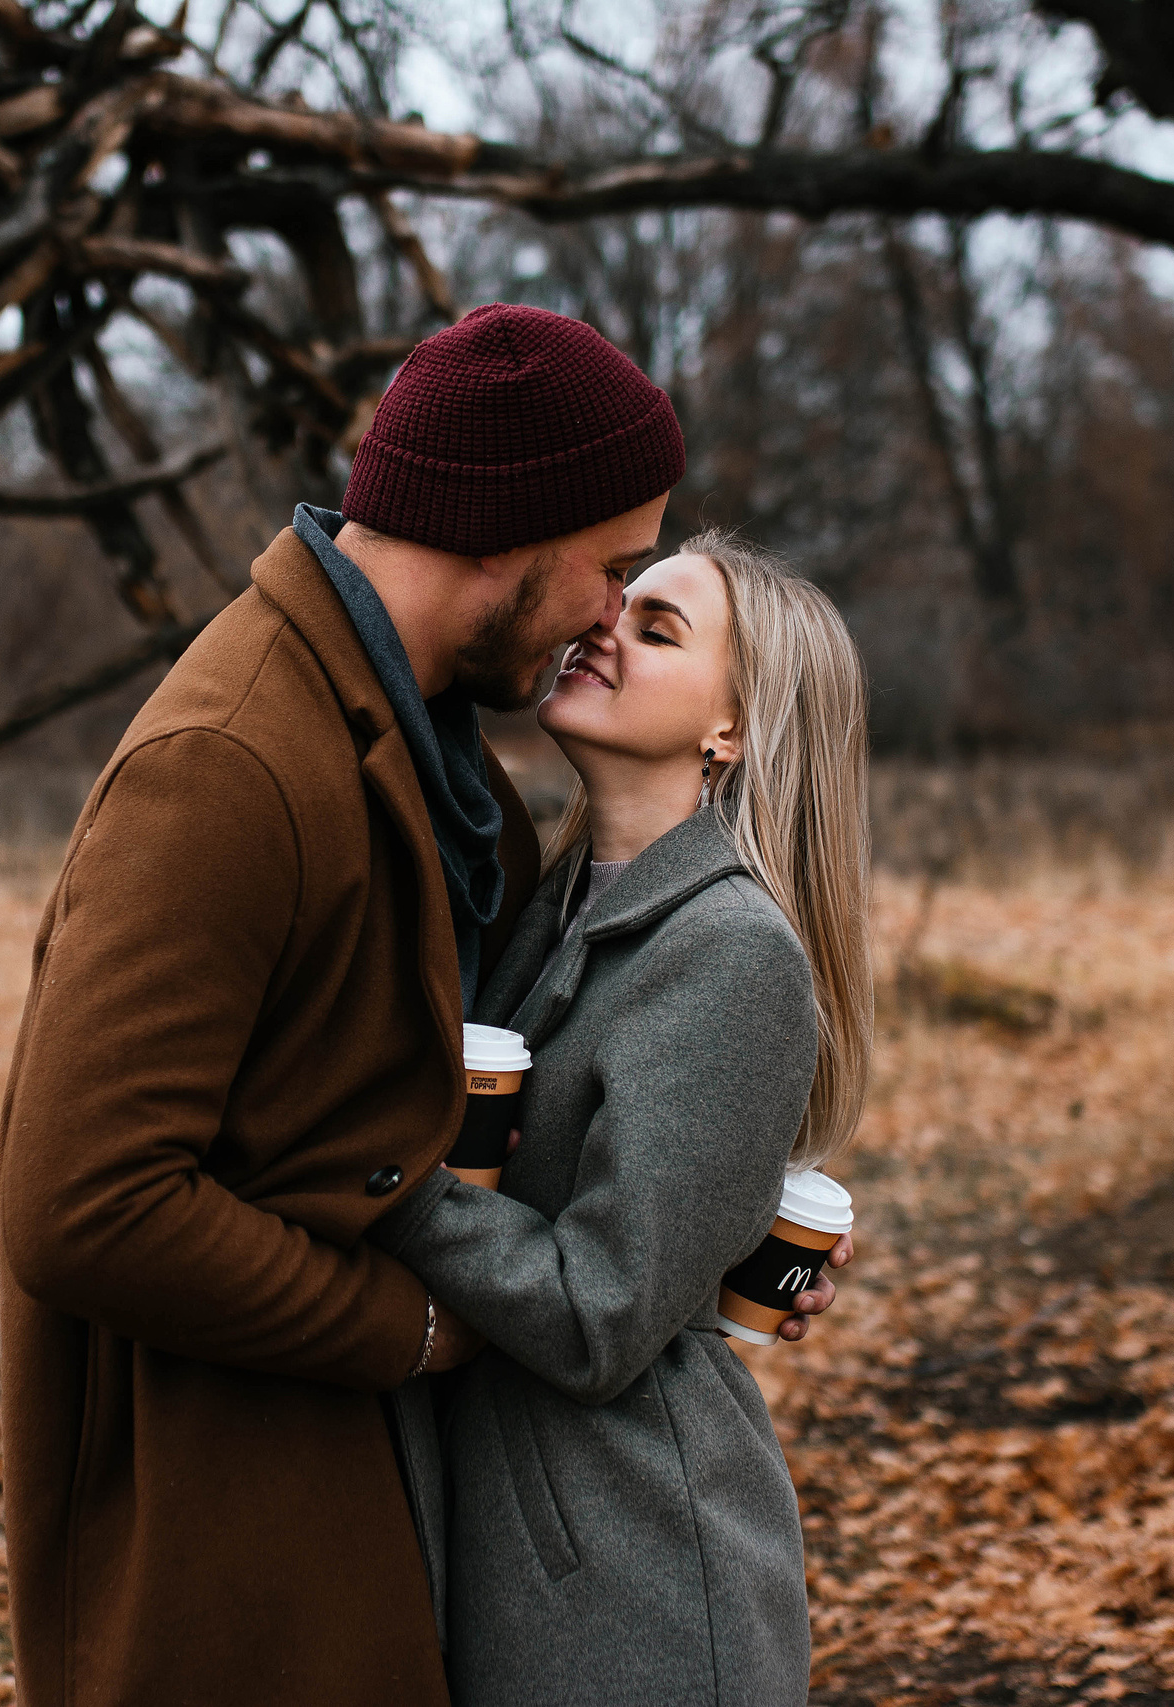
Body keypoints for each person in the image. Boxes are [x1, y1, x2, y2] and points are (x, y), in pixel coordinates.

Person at [0, 306, 838, 1707]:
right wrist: (417, 1325)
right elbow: (84, 1203)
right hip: (235, 1527)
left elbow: (497, 1114)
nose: (603, 617)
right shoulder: (231, 760)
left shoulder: (440, 767)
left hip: (413, 1523)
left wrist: (720, 1215)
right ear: (508, 530)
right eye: (611, 569)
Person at [370, 530, 874, 1707]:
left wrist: (382, 1178)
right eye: (619, 603)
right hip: (529, 1552)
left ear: (728, 730)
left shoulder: (732, 951)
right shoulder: (548, 902)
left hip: (634, 1583)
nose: (605, 628)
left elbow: (601, 1314)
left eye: (658, 629)